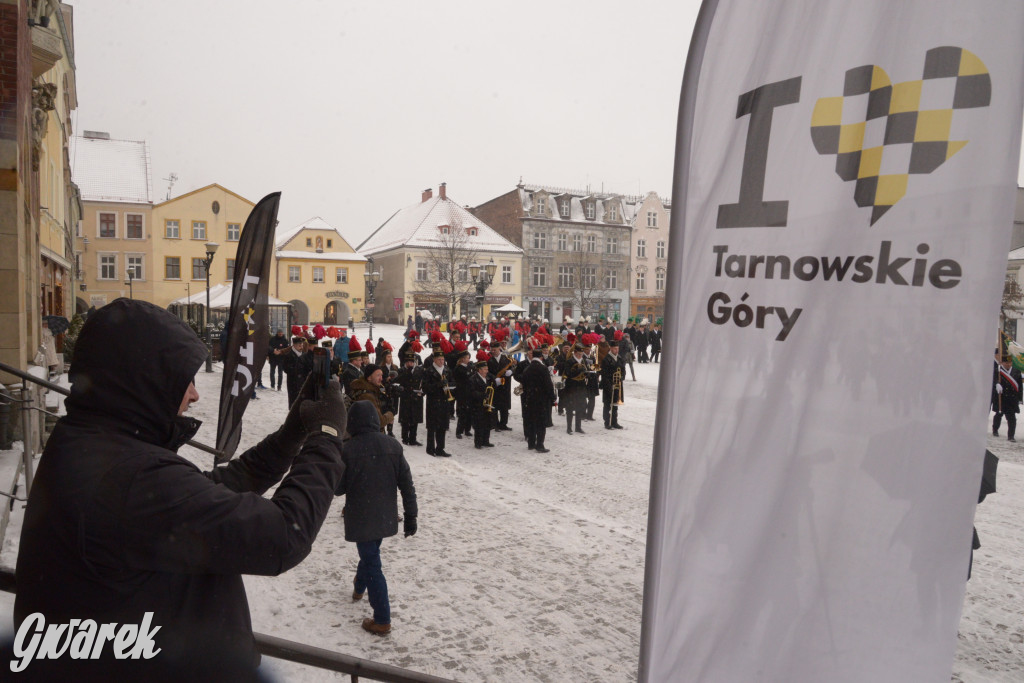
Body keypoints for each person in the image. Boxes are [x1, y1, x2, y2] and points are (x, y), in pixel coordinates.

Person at [12, 299, 346, 680]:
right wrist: (328, 435)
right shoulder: (131, 477)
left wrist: (292, 433)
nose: (194, 393)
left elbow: (212, 490)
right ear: (144, 378)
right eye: (182, 378)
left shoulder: (93, 443)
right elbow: (284, 535)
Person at [339, 401, 417, 635]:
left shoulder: (348, 450)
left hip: (361, 516)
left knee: (373, 563)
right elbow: (407, 484)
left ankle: (382, 619)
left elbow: (338, 489)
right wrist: (411, 515)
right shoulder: (393, 445)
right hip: (384, 515)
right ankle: (358, 586)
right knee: (371, 556)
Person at [521, 347, 555, 452]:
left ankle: (531, 443)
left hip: (530, 398)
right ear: (541, 357)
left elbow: (524, 383)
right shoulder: (543, 368)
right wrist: (553, 397)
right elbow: (548, 385)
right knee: (541, 423)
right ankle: (540, 445)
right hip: (541, 399)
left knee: (531, 421)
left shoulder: (527, 368)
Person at [422, 348, 453, 457]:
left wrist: (449, 386)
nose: (441, 361)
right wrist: (439, 384)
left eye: (442, 359)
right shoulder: (429, 371)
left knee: (442, 427)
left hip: (444, 402)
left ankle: (440, 448)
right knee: (432, 427)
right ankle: (430, 449)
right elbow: (425, 388)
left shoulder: (447, 370)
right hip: (433, 402)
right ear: (434, 360)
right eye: (439, 359)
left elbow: (453, 383)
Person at [350, 364, 395, 432]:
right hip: (369, 436)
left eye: (381, 375)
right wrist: (390, 415)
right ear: (369, 378)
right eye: (378, 375)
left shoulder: (373, 389)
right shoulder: (367, 396)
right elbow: (379, 421)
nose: (381, 378)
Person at [396, 352, 425, 446]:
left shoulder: (418, 370)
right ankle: (405, 438)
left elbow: (422, 382)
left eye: (411, 362)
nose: (410, 364)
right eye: (408, 362)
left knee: (414, 419)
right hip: (406, 398)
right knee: (405, 419)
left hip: (416, 398)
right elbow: (398, 382)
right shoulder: (401, 371)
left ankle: (413, 438)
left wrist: (421, 392)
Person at [561, 343, 590, 435]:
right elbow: (569, 374)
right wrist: (580, 370)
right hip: (571, 387)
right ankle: (569, 428)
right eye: (578, 354)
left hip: (581, 387)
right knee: (569, 408)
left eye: (581, 354)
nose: (580, 355)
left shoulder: (583, 361)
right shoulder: (569, 361)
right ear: (575, 352)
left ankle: (578, 427)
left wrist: (588, 373)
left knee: (579, 408)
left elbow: (587, 371)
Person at [992, 353, 1021, 441]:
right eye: (1006, 363)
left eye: (1010, 362)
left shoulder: (1016, 371)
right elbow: (993, 380)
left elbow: (1020, 386)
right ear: (1002, 363)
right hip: (1002, 398)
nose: (1008, 364)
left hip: (1011, 399)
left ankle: (1011, 436)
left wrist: (1020, 398)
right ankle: (995, 429)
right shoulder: (998, 371)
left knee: (1012, 418)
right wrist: (996, 384)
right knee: (999, 415)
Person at [280, 335, 313, 406]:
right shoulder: (288, 356)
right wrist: (296, 369)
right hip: (293, 384)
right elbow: (286, 369)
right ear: (294, 345)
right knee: (293, 403)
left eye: (302, 345)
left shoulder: (304, 355)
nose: (301, 346)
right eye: (299, 345)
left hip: (303, 383)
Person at [469, 359, 495, 449]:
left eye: (487, 369)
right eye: (485, 369)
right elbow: (471, 392)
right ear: (479, 370)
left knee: (487, 422)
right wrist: (483, 395)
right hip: (477, 404)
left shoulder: (488, 377)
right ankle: (478, 442)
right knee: (479, 423)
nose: (487, 371)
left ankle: (486, 440)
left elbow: (494, 383)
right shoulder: (473, 379)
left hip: (487, 404)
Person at [601, 339, 626, 429]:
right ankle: (607, 422)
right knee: (607, 405)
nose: (617, 350)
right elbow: (604, 375)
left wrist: (622, 377)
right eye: (615, 348)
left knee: (615, 404)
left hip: (617, 385)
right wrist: (609, 385)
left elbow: (623, 370)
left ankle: (614, 422)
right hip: (609, 385)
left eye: (617, 348)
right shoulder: (606, 359)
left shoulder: (619, 358)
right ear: (611, 348)